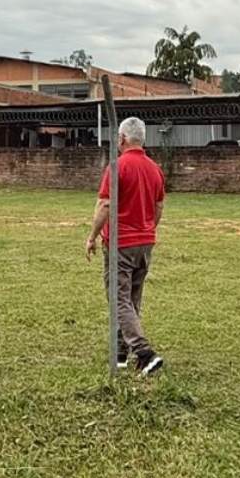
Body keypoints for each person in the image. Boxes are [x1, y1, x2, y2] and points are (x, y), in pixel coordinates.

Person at [85, 116, 165, 374]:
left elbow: (105, 205)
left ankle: (144, 353)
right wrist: (148, 228)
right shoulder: (155, 169)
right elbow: (159, 206)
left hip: (121, 243)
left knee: (118, 298)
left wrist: (92, 236)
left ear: (121, 139)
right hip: (145, 242)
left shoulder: (117, 167)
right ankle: (120, 352)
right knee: (131, 298)